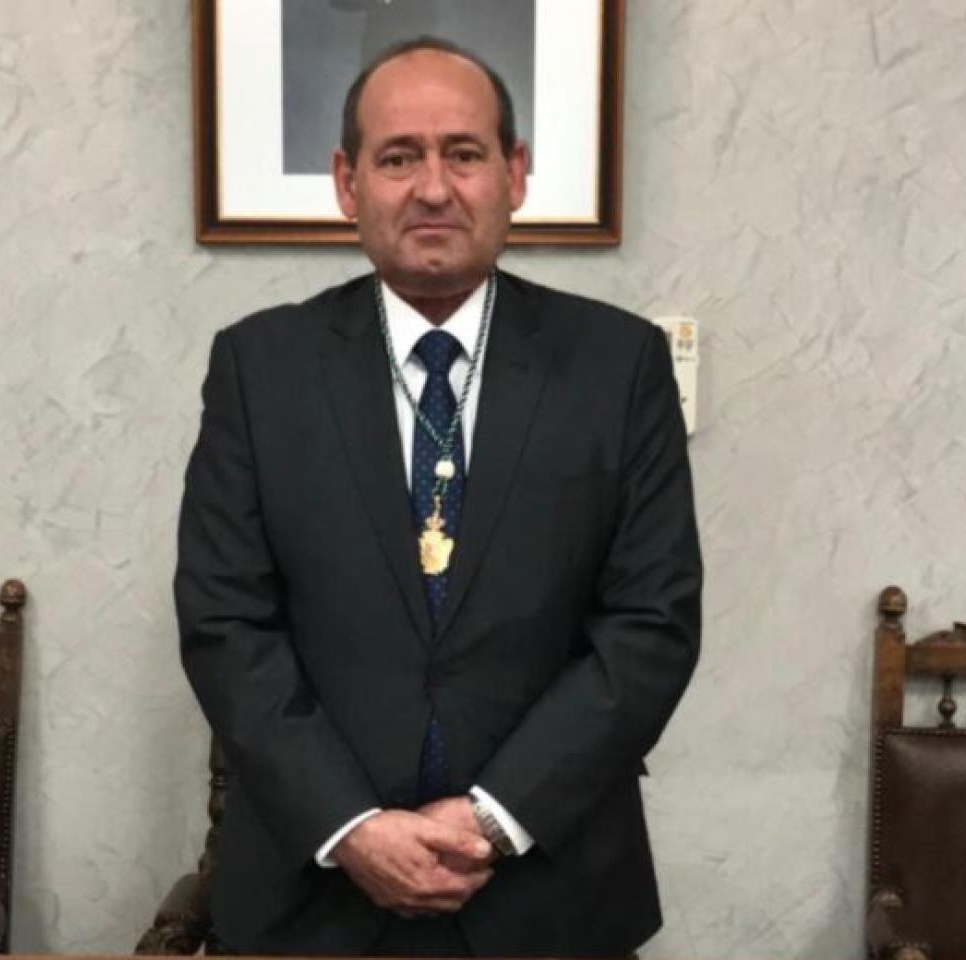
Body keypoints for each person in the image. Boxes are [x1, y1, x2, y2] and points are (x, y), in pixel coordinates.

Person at [176, 36, 701, 958]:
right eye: (397, 158)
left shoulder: (619, 367)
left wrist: (493, 817)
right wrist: (352, 827)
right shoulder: (259, 369)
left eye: (463, 153)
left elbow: (649, 626)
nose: (431, 188)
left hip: (550, 896)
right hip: (316, 901)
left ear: (515, 174)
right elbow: (226, 624)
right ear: (347, 183)